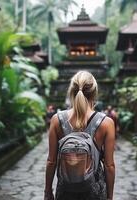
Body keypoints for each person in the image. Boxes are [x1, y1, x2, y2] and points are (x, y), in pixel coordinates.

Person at [44, 71, 115, 200]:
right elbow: (109, 165)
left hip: (65, 189)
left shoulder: (57, 120)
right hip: (94, 190)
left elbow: (51, 161)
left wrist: (48, 192)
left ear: (71, 91)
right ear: (94, 93)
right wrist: (110, 197)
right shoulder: (106, 123)